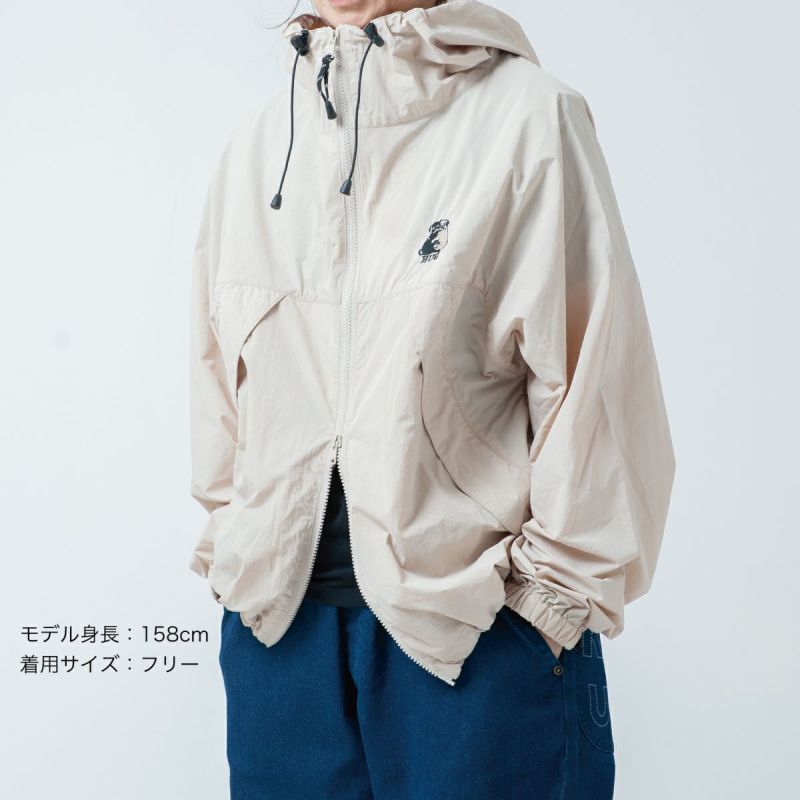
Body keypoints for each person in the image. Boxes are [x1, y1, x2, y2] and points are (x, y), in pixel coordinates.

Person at [188, 0, 676, 797]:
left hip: (476, 645)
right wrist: (232, 557)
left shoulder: (531, 118)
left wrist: (546, 610)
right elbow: (218, 386)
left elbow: (598, 383)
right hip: (279, 652)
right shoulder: (259, 145)